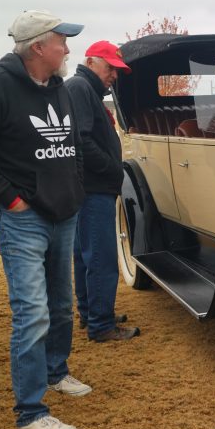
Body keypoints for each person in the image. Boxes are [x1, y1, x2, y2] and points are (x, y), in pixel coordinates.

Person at [0, 10, 89, 429]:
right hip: (22, 219)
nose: (68, 49)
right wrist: (10, 200)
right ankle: (31, 414)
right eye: (61, 42)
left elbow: (71, 148)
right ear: (37, 48)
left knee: (62, 304)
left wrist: (76, 191)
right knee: (33, 313)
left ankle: (56, 371)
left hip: (63, 213)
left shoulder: (60, 88)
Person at [66, 41, 140, 342]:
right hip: (93, 189)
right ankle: (101, 325)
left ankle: (91, 314)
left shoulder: (85, 89)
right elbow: (81, 141)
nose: (114, 75)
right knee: (101, 257)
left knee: (86, 254)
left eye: (117, 70)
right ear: (92, 61)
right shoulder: (81, 89)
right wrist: (112, 169)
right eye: (110, 68)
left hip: (89, 188)